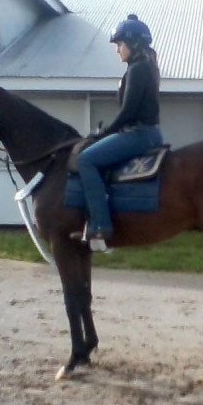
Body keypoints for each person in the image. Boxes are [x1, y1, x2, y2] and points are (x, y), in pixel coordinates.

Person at [75, 14, 163, 249]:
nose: (117, 50)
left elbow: (128, 112)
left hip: (139, 134)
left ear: (133, 44)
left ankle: (101, 225)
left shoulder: (138, 69)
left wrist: (104, 133)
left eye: (120, 45)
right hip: (147, 132)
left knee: (86, 160)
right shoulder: (148, 67)